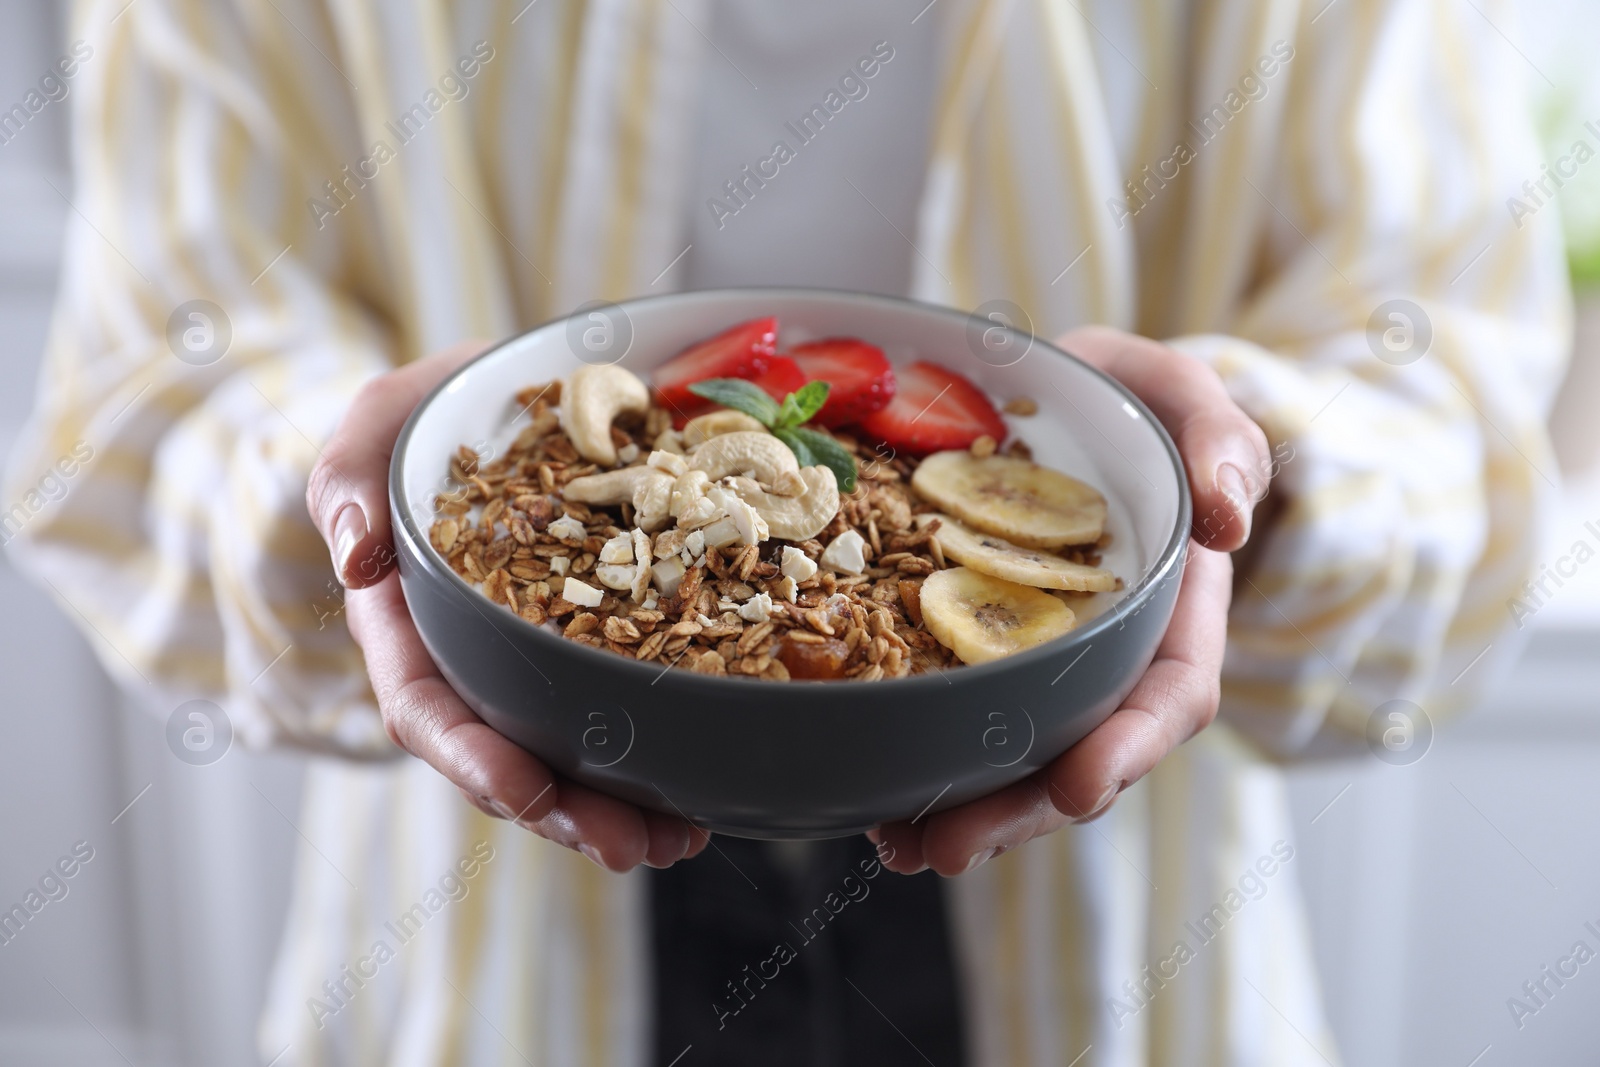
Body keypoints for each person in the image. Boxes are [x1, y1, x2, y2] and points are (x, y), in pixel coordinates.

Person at [5, 0, 1568, 1063]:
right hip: (490, 931)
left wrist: (1241, 484)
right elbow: (146, 397)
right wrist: (350, 490)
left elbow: (1450, 383)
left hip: (1109, 926)